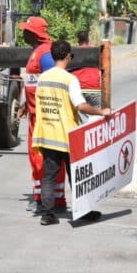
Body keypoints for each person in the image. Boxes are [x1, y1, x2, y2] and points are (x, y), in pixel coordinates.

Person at [32, 40, 111, 225]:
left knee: (48, 177)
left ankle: (47, 215)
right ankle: (82, 212)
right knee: (77, 176)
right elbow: (81, 106)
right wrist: (101, 112)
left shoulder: (43, 78)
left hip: (47, 135)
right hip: (67, 137)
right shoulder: (70, 80)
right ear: (68, 56)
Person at [16, 16, 66, 211]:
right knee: (42, 157)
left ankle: (44, 200)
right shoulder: (39, 51)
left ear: (35, 33)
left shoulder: (45, 53)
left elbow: (54, 78)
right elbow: (32, 81)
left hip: (43, 116)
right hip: (35, 112)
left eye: (26, 30)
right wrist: (24, 103)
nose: (23, 33)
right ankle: (50, 197)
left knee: (41, 158)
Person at [70, 30, 102, 107]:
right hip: (93, 89)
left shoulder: (72, 53)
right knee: (98, 116)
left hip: (78, 89)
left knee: (79, 117)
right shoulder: (96, 51)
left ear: (78, 40)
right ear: (88, 39)